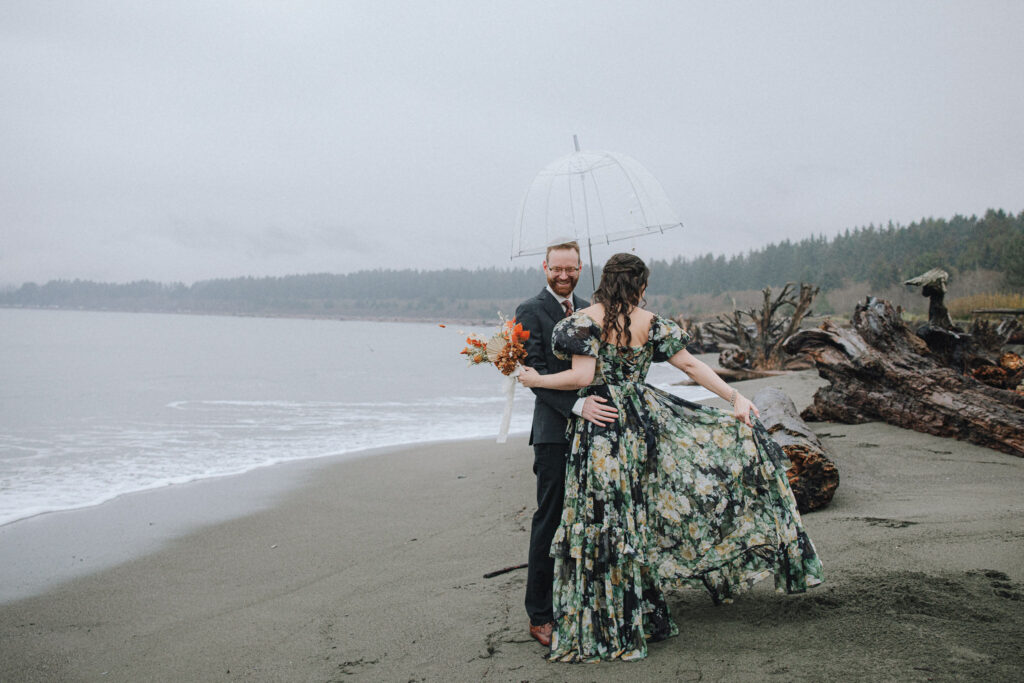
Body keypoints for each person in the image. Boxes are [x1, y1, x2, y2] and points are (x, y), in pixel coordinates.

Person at [518, 253, 824, 662]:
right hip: (640, 425)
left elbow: (583, 378)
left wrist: (537, 379)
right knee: (634, 516)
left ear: (603, 282)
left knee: (603, 520)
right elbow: (692, 365)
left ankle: (607, 615)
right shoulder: (651, 323)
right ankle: (639, 612)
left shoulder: (580, 322)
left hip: (602, 429)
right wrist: (735, 397)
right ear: (640, 286)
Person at [514, 240, 619, 647]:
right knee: (551, 516)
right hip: (554, 431)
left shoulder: (593, 309)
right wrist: (576, 405)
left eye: (571, 269)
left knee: (594, 516)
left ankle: (582, 598)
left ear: (580, 267)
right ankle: (539, 614)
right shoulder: (530, 310)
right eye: (556, 269)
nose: (563, 275)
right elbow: (533, 375)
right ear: (544, 267)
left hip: (599, 425)